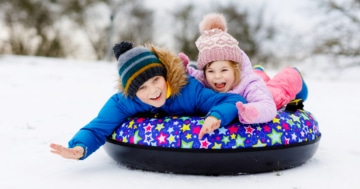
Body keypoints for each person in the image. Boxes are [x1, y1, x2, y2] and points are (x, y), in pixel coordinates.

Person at [49, 41, 247, 160]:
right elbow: (99, 126)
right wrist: (79, 148)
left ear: (164, 76)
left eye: (156, 80)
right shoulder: (124, 101)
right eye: (142, 87)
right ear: (133, 92)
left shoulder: (189, 90)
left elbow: (233, 100)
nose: (153, 91)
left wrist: (216, 115)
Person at [181, 13, 308, 116]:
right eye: (211, 71)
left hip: (264, 93)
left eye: (224, 70)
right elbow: (196, 75)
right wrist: (182, 68)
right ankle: (258, 71)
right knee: (256, 75)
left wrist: (252, 111)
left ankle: (295, 74)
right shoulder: (207, 79)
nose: (217, 76)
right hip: (251, 77)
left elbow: (265, 104)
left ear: (236, 68)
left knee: (278, 88)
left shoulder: (249, 84)